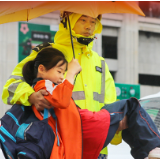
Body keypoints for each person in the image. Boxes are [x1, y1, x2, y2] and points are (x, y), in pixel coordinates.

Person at [2, 12, 118, 158]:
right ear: (67, 21)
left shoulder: (100, 62)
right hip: (61, 144)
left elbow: (110, 101)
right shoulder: (48, 53)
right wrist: (31, 96)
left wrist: (115, 130)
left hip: (96, 146)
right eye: (83, 20)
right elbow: (12, 85)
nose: (89, 26)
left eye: (93, 21)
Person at [22, 47, 160, 159]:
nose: (61, 77)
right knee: (132, 106)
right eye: (59, 71)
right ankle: (154, 146)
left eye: (63, 72)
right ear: (41, 69)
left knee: (130, 118)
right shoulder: (44, 86)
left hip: (83, 130)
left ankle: (145, 154)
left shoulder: (45, 88)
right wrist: (71, 73)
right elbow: (63, 101)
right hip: (88, 126)